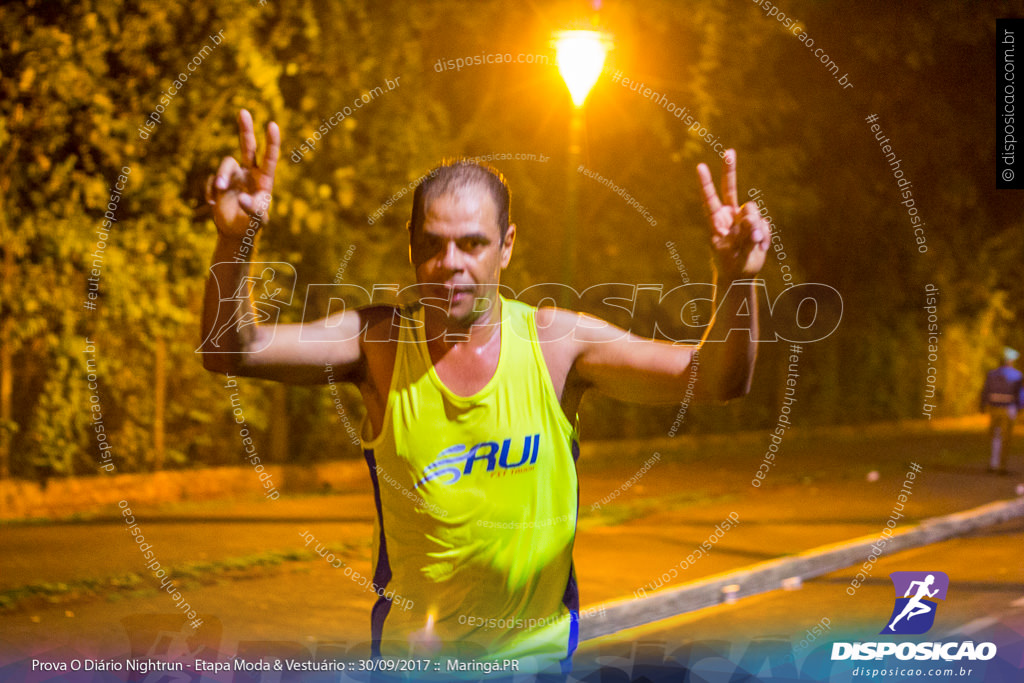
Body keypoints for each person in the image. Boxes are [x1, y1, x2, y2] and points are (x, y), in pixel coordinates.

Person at [201, 109, 771, 675]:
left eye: (472, 244)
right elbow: (231, 348)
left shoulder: (556, 345)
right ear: (411, 245)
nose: (450, 264)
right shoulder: (378, 345)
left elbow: (717, 379)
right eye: (433, 243)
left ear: (507, 246)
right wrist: (235, 238)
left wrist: (738, 277)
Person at [980, 347, 1023, 474]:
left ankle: (993, 464)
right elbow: (1020, 394)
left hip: (994, 408)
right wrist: (1020, 408)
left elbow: (985, 390)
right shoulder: (1017, 375)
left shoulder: (991, 374)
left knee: (995, 436)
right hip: (1008, 409)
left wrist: (982, 405)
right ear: (1010, 361)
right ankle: (1002, 467)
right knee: (1006, 438)